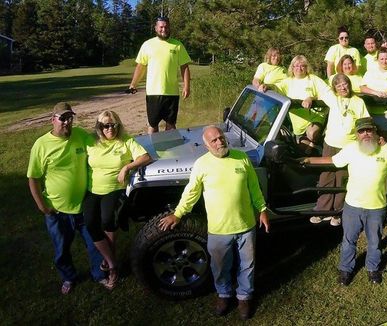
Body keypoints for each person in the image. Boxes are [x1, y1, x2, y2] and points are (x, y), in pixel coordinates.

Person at [158, 126, 270, 320]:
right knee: (220, 267)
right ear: (206, 145)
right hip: (219, 229)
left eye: (221, 138)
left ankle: (244, 296)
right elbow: (191, 192)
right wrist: (177, 214)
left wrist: (262, 210)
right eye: (214, 141)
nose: (219, 142)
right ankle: (224, 294)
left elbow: (254, 186)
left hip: (246, 225)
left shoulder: (241, 158)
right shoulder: (201, 164)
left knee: (248, 264)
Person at [303, 117, 387, 285]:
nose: (365, 134)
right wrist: (308, 160)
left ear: (375, 132)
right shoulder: (351, 149)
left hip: (377, 207)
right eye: (361, 131)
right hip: (352, 206)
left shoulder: (386, 150)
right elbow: (332, 161)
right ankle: (346, 270)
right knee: (349, 241)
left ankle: (373, 268)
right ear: (357, 134)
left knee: (375, 241)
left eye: (369, 130)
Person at [27, 102, 106, 294]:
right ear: (52, 120)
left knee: (95, 244)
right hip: (58, 211)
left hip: (84, 206)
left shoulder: (80, 135)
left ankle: (99, 275)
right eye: (62, 118)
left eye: (70, 118)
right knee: (61, 250)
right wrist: (43, 208)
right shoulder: (41, 145)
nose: (67, 123)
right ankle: (69, 277)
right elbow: (33, 179)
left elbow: (100, 147)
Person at [83, 111, 152, 290]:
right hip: (93, 190)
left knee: (107, 220)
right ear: (99, 127)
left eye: (114, 125)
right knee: (90, 223)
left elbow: (146, 157)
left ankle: (111, 268)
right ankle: (111, 262)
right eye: (106, 125)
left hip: (114, 188)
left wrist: (127, 167)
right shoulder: (90, 141)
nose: (110, 129)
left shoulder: (126, 140)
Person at [310, 74, 370, 226]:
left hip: (349, 146)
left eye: (345, 84)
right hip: (331, 143)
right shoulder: (333, 99)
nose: (343, 88)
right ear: (335, 88)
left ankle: (337, 212)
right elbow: (317, 82)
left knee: (342, 178)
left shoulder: (359, 102)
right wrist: (308, 98)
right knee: (326, 176)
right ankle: (322, 210)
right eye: (339, 86)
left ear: (349, 85)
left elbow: (365, 122)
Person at [128, 16, 192, 134]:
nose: (164, 29)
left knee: (171, 125)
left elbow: (184, 67)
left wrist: (186, 86)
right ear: (156, 28)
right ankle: (152, 150)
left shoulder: (177, 45)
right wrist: (133, 84)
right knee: (153, 125)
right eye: (161, 27)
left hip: (172, 93)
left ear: (170, 28)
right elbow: (140, 66)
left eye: (166, 27)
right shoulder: (147, 45)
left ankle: (171, 150)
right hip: (153, 93)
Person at [267, 55, 331, 153]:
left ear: (306, 67)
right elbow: (276, 88)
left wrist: (311, 98)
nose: (299, 68)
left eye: (302, 66)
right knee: (303, 151)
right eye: (296, 66)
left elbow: (327, 92)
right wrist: (267, 86)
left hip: (315, 117)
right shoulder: (288, 82)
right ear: (292, 68)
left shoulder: (313, 79)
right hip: (298, 124)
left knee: (312, 134)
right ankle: (314, 146)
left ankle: (318, 142)